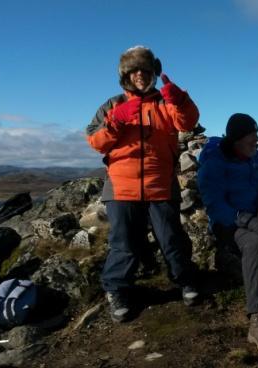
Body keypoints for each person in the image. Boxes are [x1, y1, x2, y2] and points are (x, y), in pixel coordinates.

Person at [86, 46, 201, 323]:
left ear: (154, 72)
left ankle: (186, 281)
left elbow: (188, 121)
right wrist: (116, 120)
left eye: (145, 70)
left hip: (161, 183)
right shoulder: (112, 106)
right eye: (134, 70)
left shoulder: (165, 101)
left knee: (171, 238)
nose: (140, 75)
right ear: (125, 75)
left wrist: (181, 99)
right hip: (121, 187)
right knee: (123, 243)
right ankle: (117, 290)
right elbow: (94, 140)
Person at [197, 113, 258, 352]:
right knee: (254, 241)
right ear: (238, 138)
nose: (257, 140)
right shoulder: (215, 162)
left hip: (256, 213)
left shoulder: (256, 158)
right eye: (253, 135)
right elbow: (214, 204)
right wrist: (245, 219)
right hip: (229, 223)